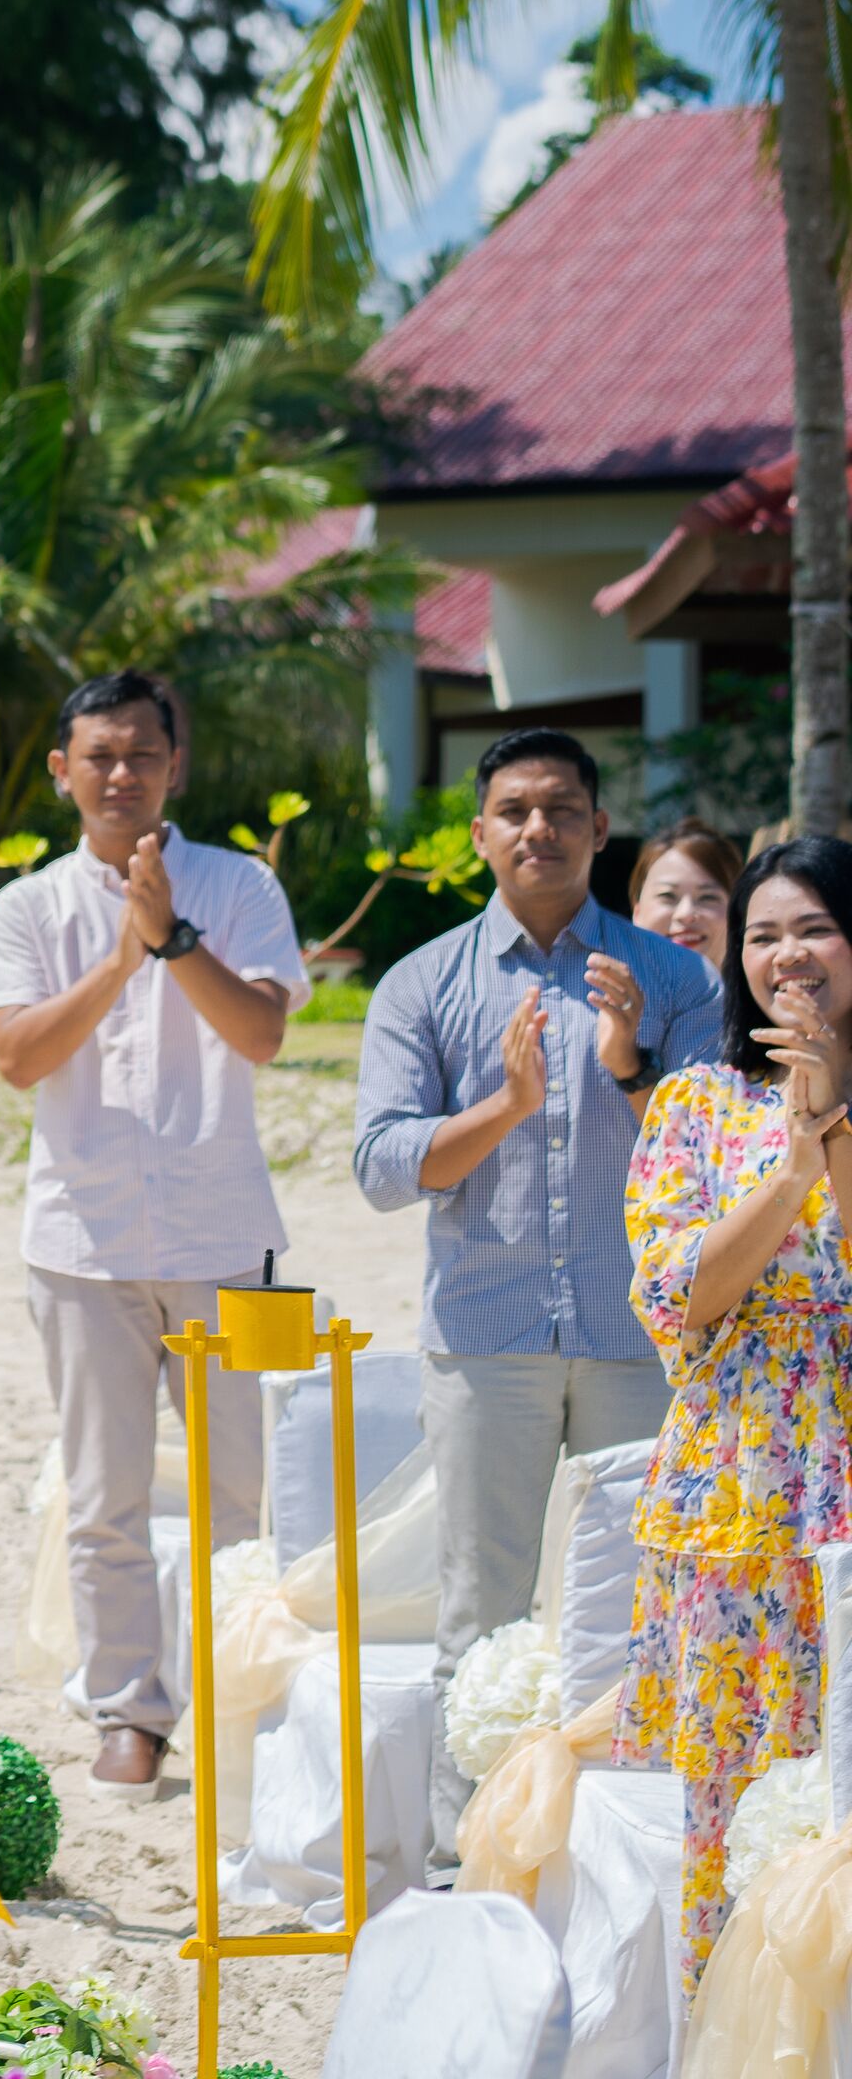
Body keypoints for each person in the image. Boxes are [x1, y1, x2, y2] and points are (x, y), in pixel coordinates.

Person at [0, 671, 310, 1797]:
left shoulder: (242, 884)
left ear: (178, 765)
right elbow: (18, 1058)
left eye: (143, 754)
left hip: (223, 1234)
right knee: (103, 1493)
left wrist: (171, 941)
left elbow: (259, 1032)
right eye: (99, 755)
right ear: (63, 771)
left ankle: (237, 1700)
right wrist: (121, 953)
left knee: (241, 1496)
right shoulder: (29, 908)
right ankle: (129, 1710)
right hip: (81, 1240)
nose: (122, 774)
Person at [355, 728, 717, 1769]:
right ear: (479, 833)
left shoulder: (677, 982)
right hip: (487, 1339)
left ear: (602, 830)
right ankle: (463, 1874)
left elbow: (714, 1155)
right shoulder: (421, 985)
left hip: (637, 1336)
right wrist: (507, 1106)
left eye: (563, 809)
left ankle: (603, 1878)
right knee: (480, 1622)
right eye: (515, 810)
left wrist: (629, 1062)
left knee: (643, 1618)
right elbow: (381, 1167)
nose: (539, 829)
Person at [619, 836, 852, 1990]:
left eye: (811, 927)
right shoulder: (695, 1104)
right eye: (762, 934)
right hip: (738, 1501)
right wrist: (793, 1165)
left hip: (844, 1497)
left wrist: (837, 1123)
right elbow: (682, 1298)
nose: (786, 955)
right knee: (740, 1802)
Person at [632, 819, 742, 973]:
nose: (686, 914)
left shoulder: (771, 996)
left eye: (707, 897)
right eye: (668, 896)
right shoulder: (596, 994)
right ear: (637, 913)